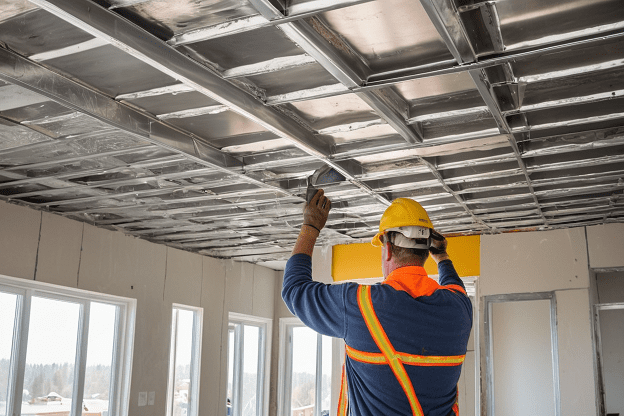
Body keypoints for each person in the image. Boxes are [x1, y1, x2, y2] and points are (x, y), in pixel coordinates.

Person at [282, 190, 473, 416]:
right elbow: (453, 284)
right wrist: (442, 257)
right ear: (425, 251)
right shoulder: (459, 309)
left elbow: (295, 289)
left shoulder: (361, 305)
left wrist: (310, 227)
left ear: (388, 249)